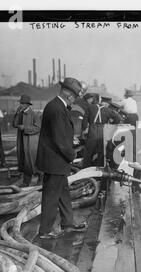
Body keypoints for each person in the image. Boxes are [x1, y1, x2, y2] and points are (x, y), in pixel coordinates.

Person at [36, 78, 87, 239]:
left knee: (63, 193)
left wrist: (70, 140)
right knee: (51, 196)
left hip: (56, 160)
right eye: (74, 96)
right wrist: (72, 155)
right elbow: (58, 138)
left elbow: (59, 133)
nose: (74, 99)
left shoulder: (58, 106)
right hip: (55, 161)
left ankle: (68, 223)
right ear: (67, 93)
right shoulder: (57, 108)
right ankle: (45, 231)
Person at [81, 93, 122, 168]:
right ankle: (98, 171)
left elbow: (84, 121)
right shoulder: (108, 110)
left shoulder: (90, 107)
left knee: (88, 153)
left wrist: (84, 131)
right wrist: (111, 123)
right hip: (102, 132)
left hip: (92, 130)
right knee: (101, 154)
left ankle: (85, 170)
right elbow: (118, 118)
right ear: (106, 103)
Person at [12, 95, 42, 187]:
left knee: (31, 161)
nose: (21, 105)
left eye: (23, 103)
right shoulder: (20, 113)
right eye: (21, 103)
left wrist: (25, 128)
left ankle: (40, 176)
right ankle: (26, 181)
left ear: (28, 104)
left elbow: (38, 127)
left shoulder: (34, 114)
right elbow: (14, 124)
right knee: (24, 160)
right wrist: (16, 114)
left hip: (31, 141)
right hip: (21, 140)